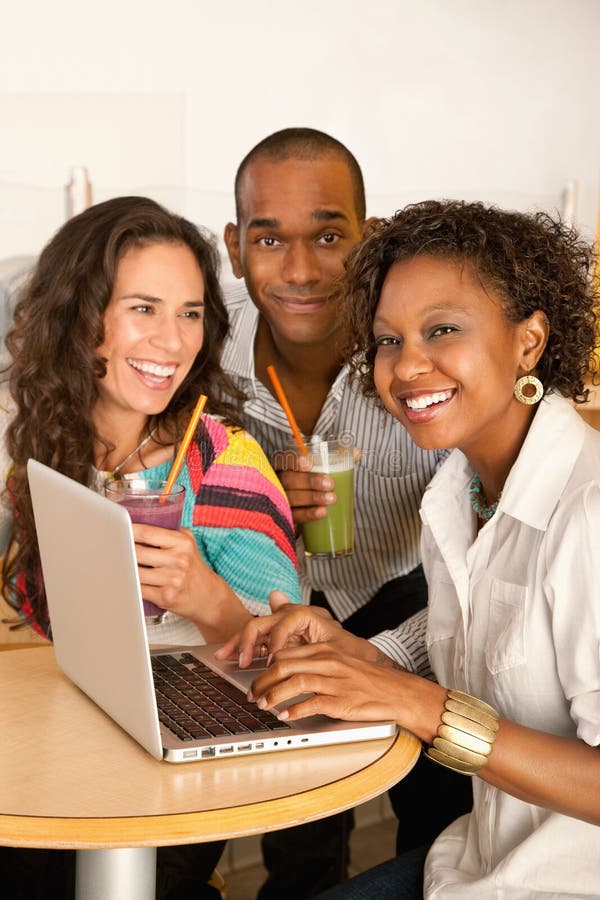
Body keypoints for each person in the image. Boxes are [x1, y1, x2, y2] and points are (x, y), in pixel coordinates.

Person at [217, 199, 600, 898]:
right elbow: (478, 618)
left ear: (529, 340)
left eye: (442, 330)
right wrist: (359, 652)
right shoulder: (459, 490)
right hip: (472, 866)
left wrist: (415, 702)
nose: (405, 367)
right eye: (388, 340)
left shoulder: (589, 513)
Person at [0, 195, 301, 899]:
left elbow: (293, 667)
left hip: (171, 781)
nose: (173, 341)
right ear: (82, 318)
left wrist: (209, 601)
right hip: (57, 742)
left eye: (190, 313)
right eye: (143, 308)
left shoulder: (224, 466)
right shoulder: (44, 448)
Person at [221, 128, 472, 897]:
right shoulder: (204, 355)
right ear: (235, 247)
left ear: (366, 241)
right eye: (270, 240)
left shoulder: (415, 356)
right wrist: (252, 499)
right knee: (296, 823)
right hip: (265, 601)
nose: (300, 271)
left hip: (404, 595)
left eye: (329, 236)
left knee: (438, 822)